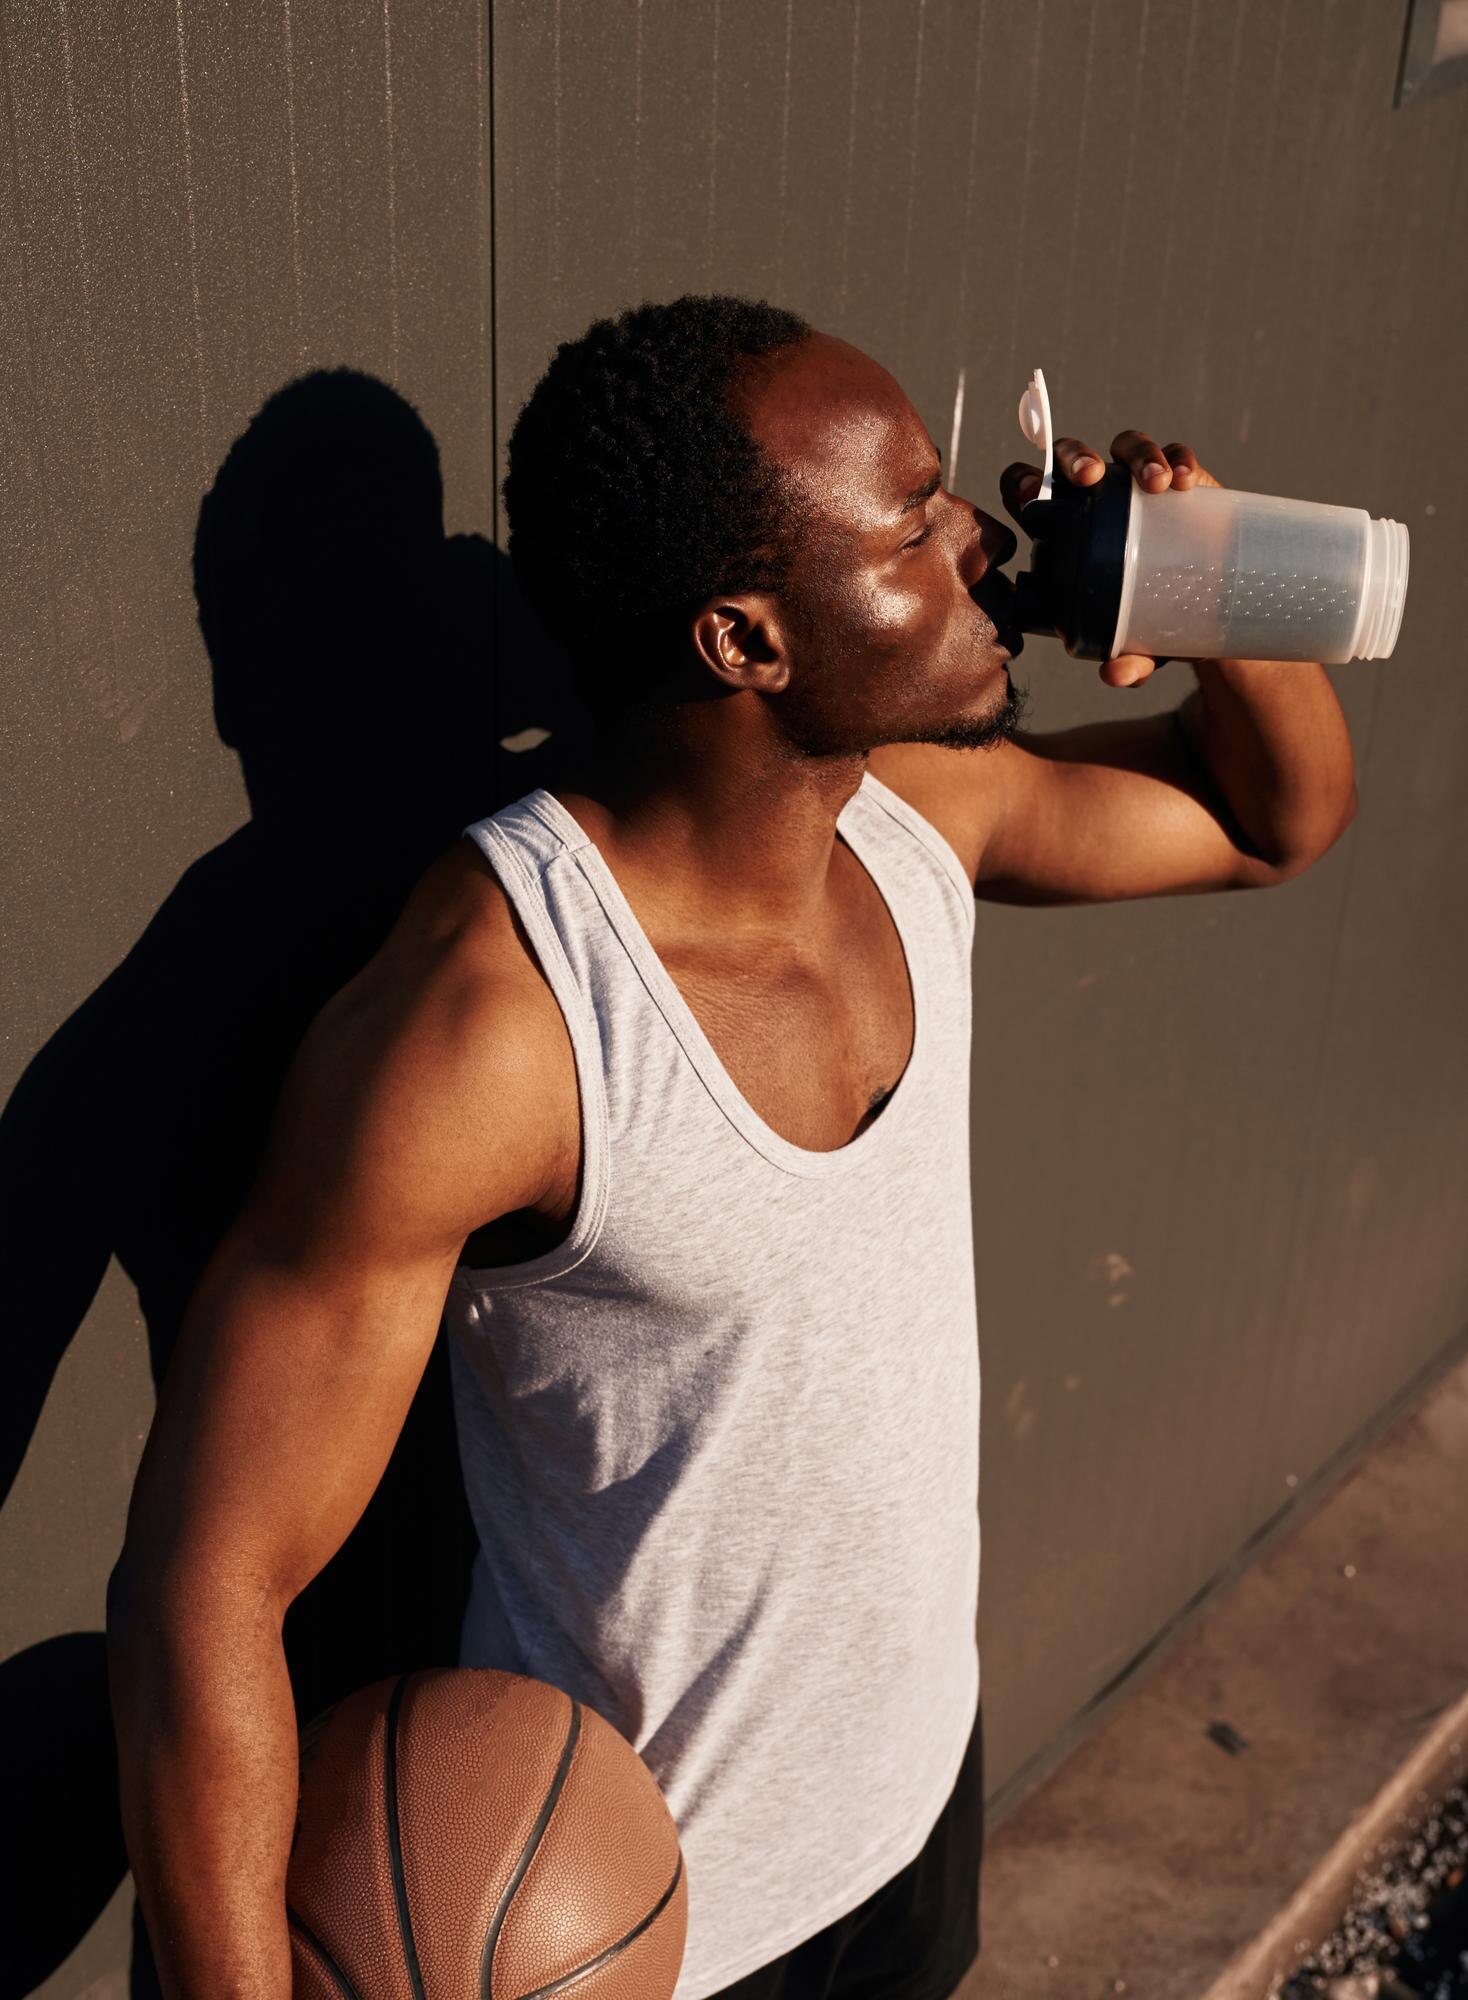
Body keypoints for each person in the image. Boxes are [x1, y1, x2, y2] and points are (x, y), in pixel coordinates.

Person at [106, 293, 1357, 2000]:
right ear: (744, 639)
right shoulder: (497, 1026)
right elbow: (203, 1589)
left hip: (911, 1803)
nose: (984, 539)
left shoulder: (915, 812)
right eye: (913, 523)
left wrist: (1204, 577)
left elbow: (1271, 822)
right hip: (637, 1927)